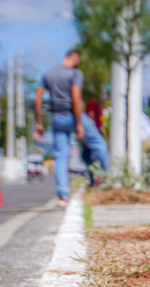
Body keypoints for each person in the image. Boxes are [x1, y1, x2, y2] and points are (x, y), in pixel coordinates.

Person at [34, 49, 84, 205]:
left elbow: (38, 99)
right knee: (94, 142)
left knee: (61, 156)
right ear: (74, 57)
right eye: (79, 60)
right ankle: (100, 178)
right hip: (71, 114)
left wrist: (39, 122)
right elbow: (76, 99)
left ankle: (63, 194)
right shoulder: (75, 74)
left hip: (56, 117)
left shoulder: (48, 74)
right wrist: (79, 124)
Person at [79, 112, 110, 186]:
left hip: (98, 145)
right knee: (89, 160)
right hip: (91, 144)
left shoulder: (81, 118)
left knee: (103, 166)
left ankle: (104, 182)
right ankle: (94, 182)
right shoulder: (83, 117)